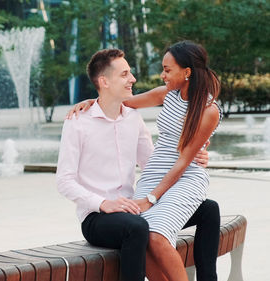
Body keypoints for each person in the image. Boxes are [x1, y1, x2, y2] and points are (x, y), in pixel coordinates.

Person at [63, 41, 221, 281]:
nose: (133, 79)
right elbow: (64, 181)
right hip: (100, 213)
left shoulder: (133, 118)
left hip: (141, 198)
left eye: (167, 69)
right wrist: (104, 202)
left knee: (208, 209)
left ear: (187, 72)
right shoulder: (79, 122)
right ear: (104, 82)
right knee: (142, 229)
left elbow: (153, 158)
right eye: (125, 74)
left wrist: (191, 156)